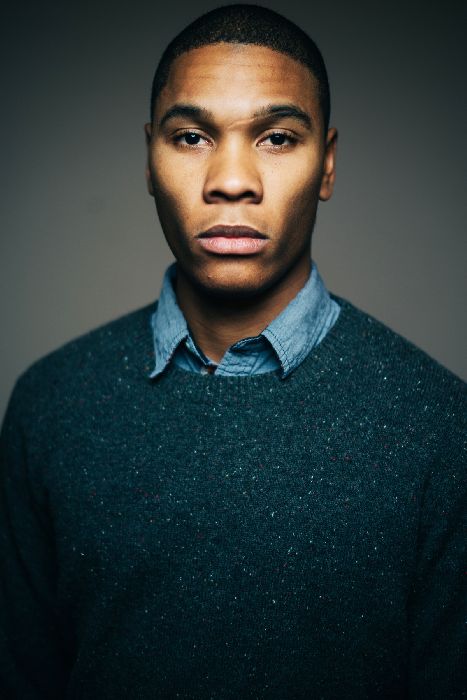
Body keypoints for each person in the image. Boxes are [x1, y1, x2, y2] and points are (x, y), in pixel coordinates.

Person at [0, 4, 465, 698]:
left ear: (327, 164)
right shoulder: (51, 405)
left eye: (277, 138)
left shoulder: (440, 426)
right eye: (191, 137)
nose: (231, 179)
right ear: (150, 159)